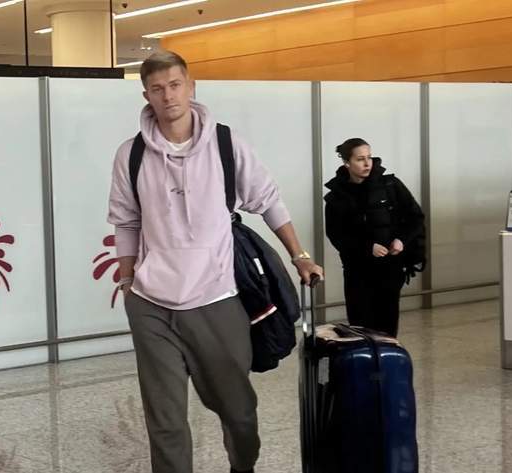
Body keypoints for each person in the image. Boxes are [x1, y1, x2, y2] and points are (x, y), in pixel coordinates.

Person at [107, 50, 323, 473]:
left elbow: (268, 201)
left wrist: (299, 256)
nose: (168, 96)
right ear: (146, 95)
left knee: (238, 411)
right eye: (157, 89)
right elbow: (126, 221)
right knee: (165, 419)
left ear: (191, 86)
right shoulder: (130, 154)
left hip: (217, 298)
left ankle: (243, 466)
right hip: (152, 304)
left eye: (175, 85)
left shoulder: (226, 143)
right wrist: (129, 282)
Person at [324, 138, 424, 337]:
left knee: (387, 324)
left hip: (390, 267)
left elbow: (415, 217)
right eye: (360, 159)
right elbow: (336, 234)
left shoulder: (390, 185)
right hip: (357, 270)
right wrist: (367, 247)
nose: (367, 163)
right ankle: (366, 356)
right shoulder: (337, 196)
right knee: (360, 324)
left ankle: (386, 355)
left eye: (369, 157)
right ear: (346, 163)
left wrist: (401, 240)